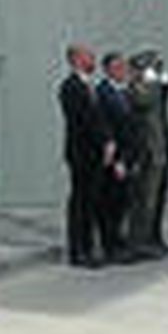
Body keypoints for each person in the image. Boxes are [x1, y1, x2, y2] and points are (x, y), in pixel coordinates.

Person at [57, 44, 111, 268]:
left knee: (91, 202)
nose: (93, 59)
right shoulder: (70, 87)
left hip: (95, 152)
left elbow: (99, 118)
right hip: (82, 152)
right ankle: (78, 250)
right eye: (88, 56)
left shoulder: (89, 86)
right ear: (76, 59)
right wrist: (102, 140)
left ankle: (89, 247)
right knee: (81, 202)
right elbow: (85, 121)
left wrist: (108, 142)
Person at [125, 49, 168, 256]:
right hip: (148, 152)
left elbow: (162, 101)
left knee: (158, 201)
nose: (157, 69)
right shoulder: (135, 88)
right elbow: (142, 102)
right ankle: (139, 241)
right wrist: (152, 83)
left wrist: (163, 84)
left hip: (161, 149)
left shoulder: (153, 89)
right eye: (153, 65)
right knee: (145, 200)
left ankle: (154, 237)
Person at [94, 51, 140, 264]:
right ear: (109, 69)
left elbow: (132, 127)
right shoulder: (103, 92)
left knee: (123, 203)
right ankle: (109, 246)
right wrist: (116, 160)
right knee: (110, 204)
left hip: (128, 155)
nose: (124, 71)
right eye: (119, 67)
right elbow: (106, 128)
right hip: (114, 158)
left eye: (124, 67)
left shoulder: (125, 93)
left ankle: (120, 243)